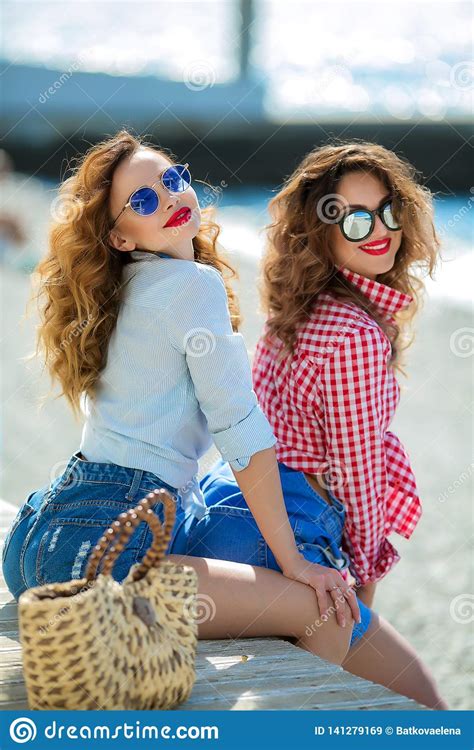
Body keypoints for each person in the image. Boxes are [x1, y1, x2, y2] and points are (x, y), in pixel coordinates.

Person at [1, 132, 446, 709]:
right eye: (142, 201)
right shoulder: (192, 286)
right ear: (119, 235)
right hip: (109, 549)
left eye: (172, 178)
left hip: (41, 535)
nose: (167, 198)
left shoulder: (129, 287)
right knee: (323, 609)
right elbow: (244, 433)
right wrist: (295, 562)